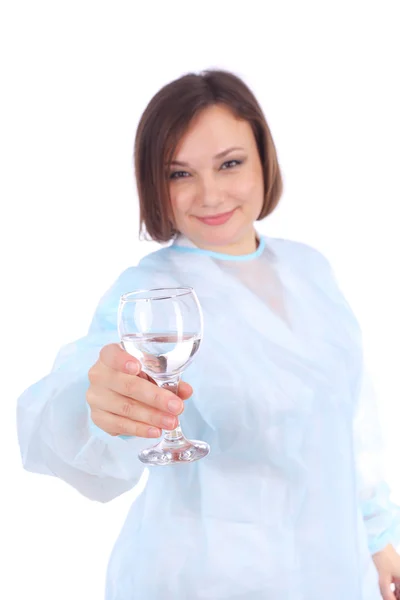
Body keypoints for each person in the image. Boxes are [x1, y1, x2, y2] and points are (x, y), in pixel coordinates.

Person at [17, 69, 400, 600]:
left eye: (230, 164)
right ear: (154, 183)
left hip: (331, 570)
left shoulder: (310, 269)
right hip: (204, 578)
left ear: (264, 159)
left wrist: (379, 538)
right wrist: (98, 402)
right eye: (179, 174)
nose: (210, 194)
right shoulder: (151, 290)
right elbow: (76, 398)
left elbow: (351, 420)